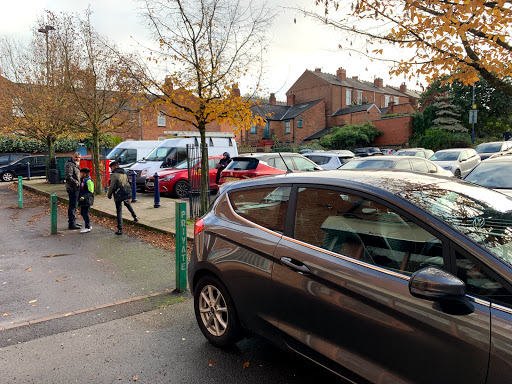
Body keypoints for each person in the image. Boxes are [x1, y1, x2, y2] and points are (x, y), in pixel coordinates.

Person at [108, 161, 138, 235]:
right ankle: (135, 216)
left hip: (118, 193)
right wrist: (130, 195)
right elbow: (127, 183)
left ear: (114, 167)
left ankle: (120, 229)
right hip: (125, 192)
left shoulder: (114, 175)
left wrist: (109, 194)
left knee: (119, 211)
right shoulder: (124, 173)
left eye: (111, 168)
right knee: (127, 204)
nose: (111, 169)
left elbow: (111, 186)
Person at [64, 152, 81, 230]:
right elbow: (68, 176)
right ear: (72, 157)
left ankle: (73, 222)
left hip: (75, 188)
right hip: (72, 188)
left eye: (79, 157)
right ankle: (71, 224)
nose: (78, 159)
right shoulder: (69, 164)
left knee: (74, 205)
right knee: (72, 205)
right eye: (76, 157)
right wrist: (76, 183)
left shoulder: (75, 164)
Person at [78, 168, 94, 233]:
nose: (80, 174)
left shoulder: (89, 181)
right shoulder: (83, 180)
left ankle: (87, 227)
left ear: (85, 174)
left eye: (81, 173)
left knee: (85, 213)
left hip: (87, 200)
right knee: (82, 212)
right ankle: (88, 225)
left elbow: (91, 191)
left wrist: (83, 197)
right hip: (83, 200)